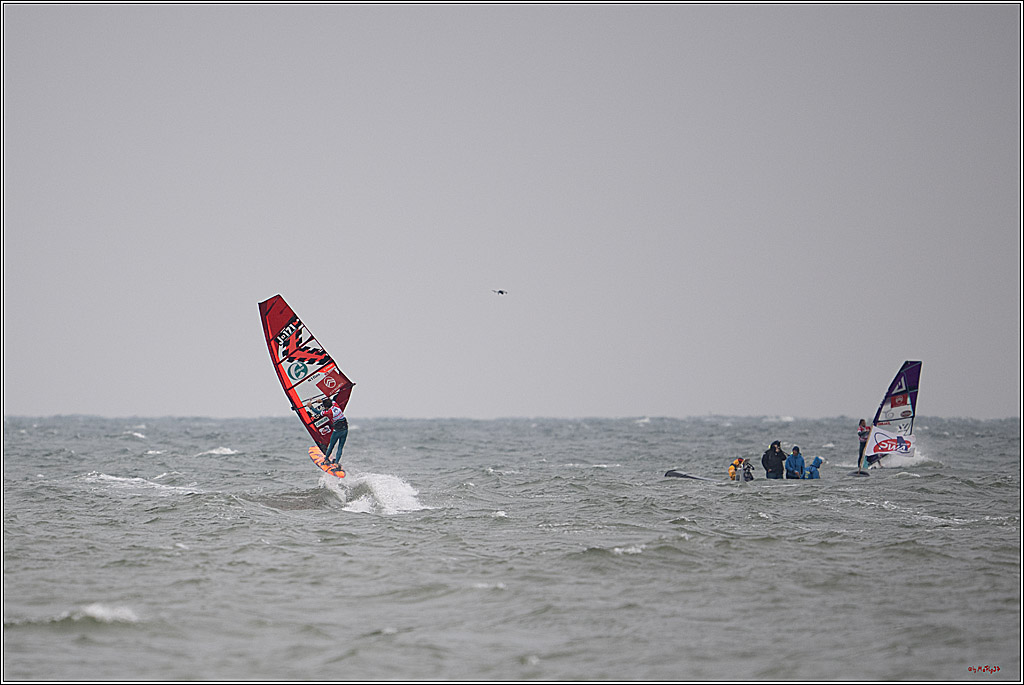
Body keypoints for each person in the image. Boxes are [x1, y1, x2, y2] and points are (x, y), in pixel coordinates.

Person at [317, 397, 348, 465]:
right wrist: (322, 401)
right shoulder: (335, 405)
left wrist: (310, 407)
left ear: (326, 407)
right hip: (345, 430)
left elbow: (318, 412)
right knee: (340, 447)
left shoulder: (329, 412)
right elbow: (331, 401)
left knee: (331, 446)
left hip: (337, 431)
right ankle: (336, 463)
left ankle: (326, 460)